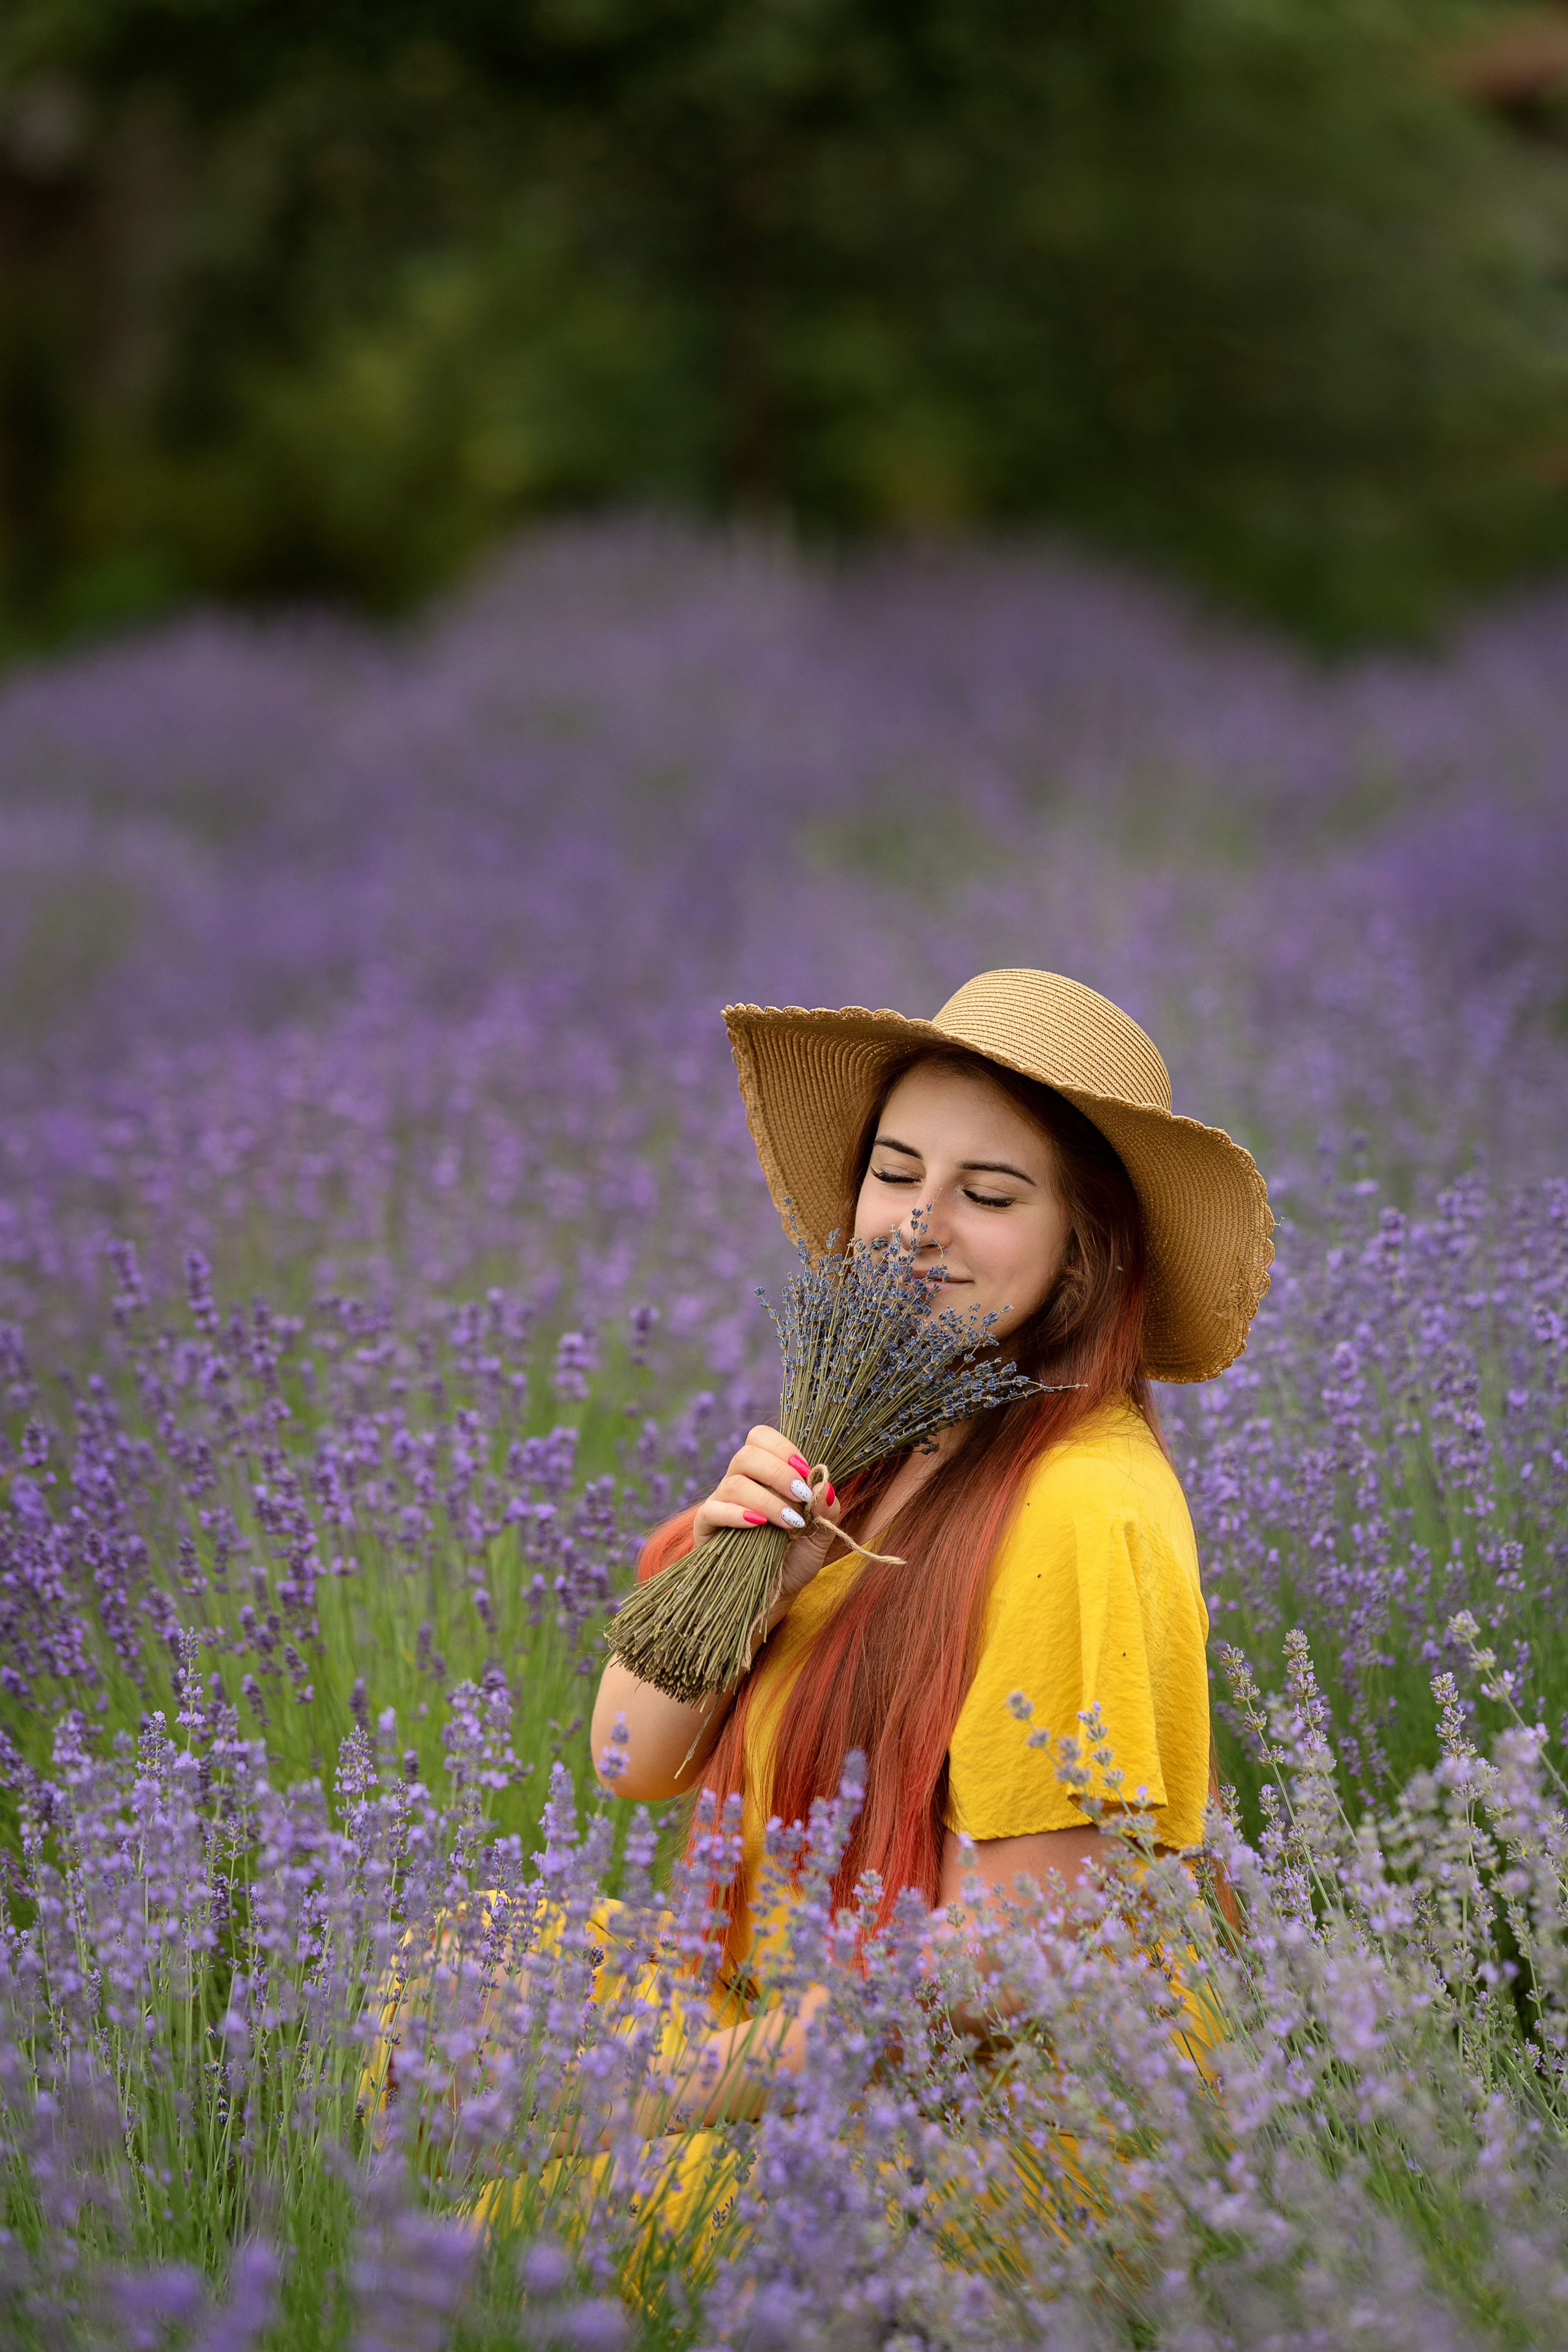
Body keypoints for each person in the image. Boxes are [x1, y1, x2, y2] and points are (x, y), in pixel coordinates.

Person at [589, 966, 1272, 2131]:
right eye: (895, 1173)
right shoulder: (867, 1440)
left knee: (507, 2226)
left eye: (989, 1194)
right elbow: (627, 1761)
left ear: (1085, 1245)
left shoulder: (1086, 1507)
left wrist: (639, 2102)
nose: (918, 1225)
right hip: (791, 2034)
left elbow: (1004, 1971)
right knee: (420, 2017)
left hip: (987, 2120)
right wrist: (738, 1575)